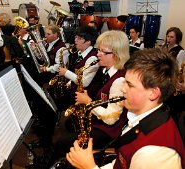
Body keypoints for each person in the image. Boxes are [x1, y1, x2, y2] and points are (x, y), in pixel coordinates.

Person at [66, 48, 185, 169]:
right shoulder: (140, 116)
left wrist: (89, 166)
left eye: (129, 84)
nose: (123, 89)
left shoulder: (153, 154)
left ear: (153, 94)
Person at [50, 30, 130, 165]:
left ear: (116, 55)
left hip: (109, 132)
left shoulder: (119, 80)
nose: (97, 54)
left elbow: (111, 119)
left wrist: (88, 102)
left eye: (103, 51)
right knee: (70, 126)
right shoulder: (107, 71)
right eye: (98, 50)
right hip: (100, 121)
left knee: (62, 143)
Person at [58, 25, 99, 103]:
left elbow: (85, 82)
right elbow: (78, 73)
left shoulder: (92, 58)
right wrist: (70, 82)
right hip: (75, 92)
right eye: (75, 37)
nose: (75, 40)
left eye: (79, 38)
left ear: (88, 41)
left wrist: (66, 72)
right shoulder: (81, 54)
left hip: (84, 98)